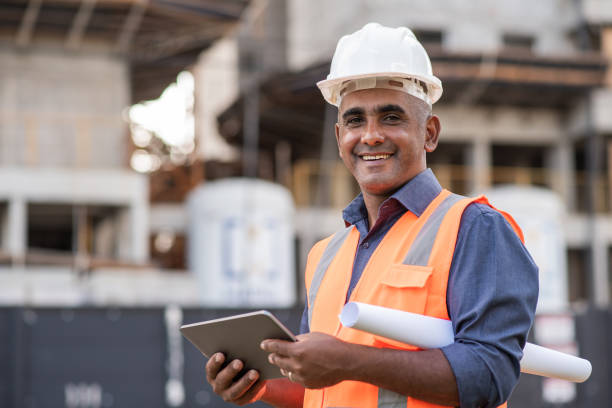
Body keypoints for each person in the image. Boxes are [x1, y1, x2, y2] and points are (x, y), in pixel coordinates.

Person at [205, 23, 538, 408]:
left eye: (391, 117)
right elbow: (322, 386)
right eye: (355, 120)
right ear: (339, 136)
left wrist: (348, 361)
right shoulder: (324, 255)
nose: (371, 135)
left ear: (429, 132)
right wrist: (259, 385)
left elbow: (489, 373)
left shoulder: (475, 228)